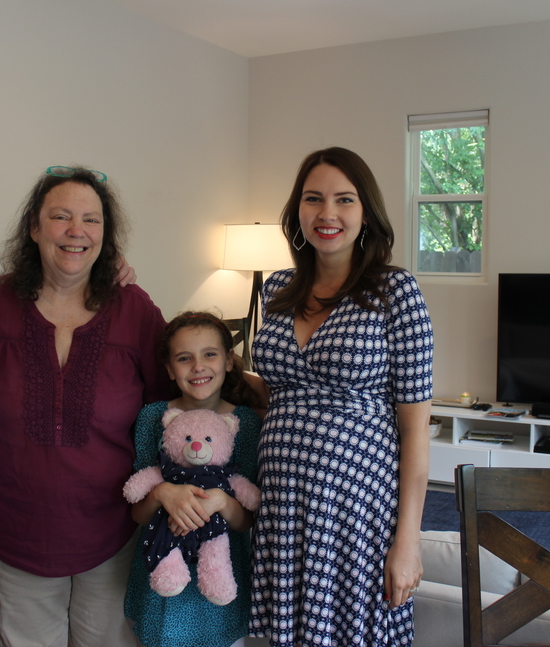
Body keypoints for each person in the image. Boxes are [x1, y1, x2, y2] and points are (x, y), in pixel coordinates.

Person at [0, 166, 169, 647]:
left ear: (106, 235)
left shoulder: (134, 309)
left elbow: (173, 401)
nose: (76, 231)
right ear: (34, 228)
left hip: (112, 532)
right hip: (15, 531)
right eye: (60, 216)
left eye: (91, 220)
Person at [248, 147, 434, 647]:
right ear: (297, 212)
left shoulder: (396, 292)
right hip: (284, 509)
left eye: (344, 200)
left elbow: (416, 429)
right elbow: (275, 390)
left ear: (366, 214)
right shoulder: (278, 289)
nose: (327, 214)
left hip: (358, 513)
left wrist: (408, 543)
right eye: (313, 200)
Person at [125, 311, 264, 647]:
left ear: (229, 362)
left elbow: (247, 519)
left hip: (222, 572)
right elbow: (136, 513)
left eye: (210, 354)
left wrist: (224, 502)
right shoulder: (154, 418)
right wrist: (161, 494)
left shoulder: (243, 422)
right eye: (184, 358)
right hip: (164, 576)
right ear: (171, 370)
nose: (198, 367)